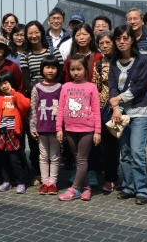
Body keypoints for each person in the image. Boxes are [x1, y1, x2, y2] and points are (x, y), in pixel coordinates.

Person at [109, 24, 147, 205]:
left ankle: (142, 189)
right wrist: (115, 108)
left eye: (125, 38)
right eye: (118, 38)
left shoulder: (142, 60)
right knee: (125, 152)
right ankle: (128, 186)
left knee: (137, 151)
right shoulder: (113, 62)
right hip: (121, 113)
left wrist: (118, 99)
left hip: (140, 112)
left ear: (132, 40)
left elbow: (140, 86)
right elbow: (112, 86)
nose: (122, 41)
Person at [20, 21, 64, 184]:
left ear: (42, 33)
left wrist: (50, 90)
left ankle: (53, 175)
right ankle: (39, 173)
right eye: (30, 33)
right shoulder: (25, 55)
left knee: (54, 134)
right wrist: (38, 92)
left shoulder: (54, 51)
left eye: (36, 32)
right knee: (35, 136)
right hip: (36, 97)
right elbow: (26, 79)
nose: (33, 35)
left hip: (53, 97)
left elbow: (60, 74)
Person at [62, 22, 103, 187]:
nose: (81, 37)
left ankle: (91, 171)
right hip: (74, 103)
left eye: (85, 34)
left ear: (91, 36)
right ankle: (79, 171)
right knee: (75, 143)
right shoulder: (70, 58)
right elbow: (66, 80)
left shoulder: (98, 57)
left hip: (92, 101)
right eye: (78, 34)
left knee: (92, 142)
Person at [56, 54, 101, 201]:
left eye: (79, 69)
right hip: (70, 129)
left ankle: (75, 189)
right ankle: (86, 187)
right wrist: (59, 128)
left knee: (81, 159)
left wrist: (97, 131)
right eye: (73, 69)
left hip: (87, 129)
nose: (76, 72)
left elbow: (96, 110)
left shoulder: (91, 87)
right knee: (77, 159)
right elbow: (61, 109)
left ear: (85, 70)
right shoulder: (65, 87)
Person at [0, 70, 31, 194]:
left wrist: (14, 93)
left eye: (6, 83)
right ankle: (6, 181)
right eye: (1, 84)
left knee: (15, 159)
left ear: (11, 82)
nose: (3, 86)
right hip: (1, 131)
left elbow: (26, 105)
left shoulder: (17, 95)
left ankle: (20, 182)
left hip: (13, 131)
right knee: (3, 159)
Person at [29, 56, 62, 195]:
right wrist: (32, 126)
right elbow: (32, 108)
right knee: (43, 156)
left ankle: (53, 182)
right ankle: (45, 182)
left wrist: (62, 128)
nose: (50, 70)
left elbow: (63, 108)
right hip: (41, 128)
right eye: (47, 67)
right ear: (42, 69)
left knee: (54, 156)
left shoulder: (60, 87)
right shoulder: (37, 87)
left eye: (53, 67)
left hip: (55, 129)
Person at [92, 30, 120, 193]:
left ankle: (129, 178)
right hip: (104, 110)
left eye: (108, 42)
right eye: (101, 43)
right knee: (109, 147)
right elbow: (95, 87)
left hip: (122, 108)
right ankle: (111, 178)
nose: (104, 46)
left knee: (125, 146)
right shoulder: (98, 63)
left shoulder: (121, 60)